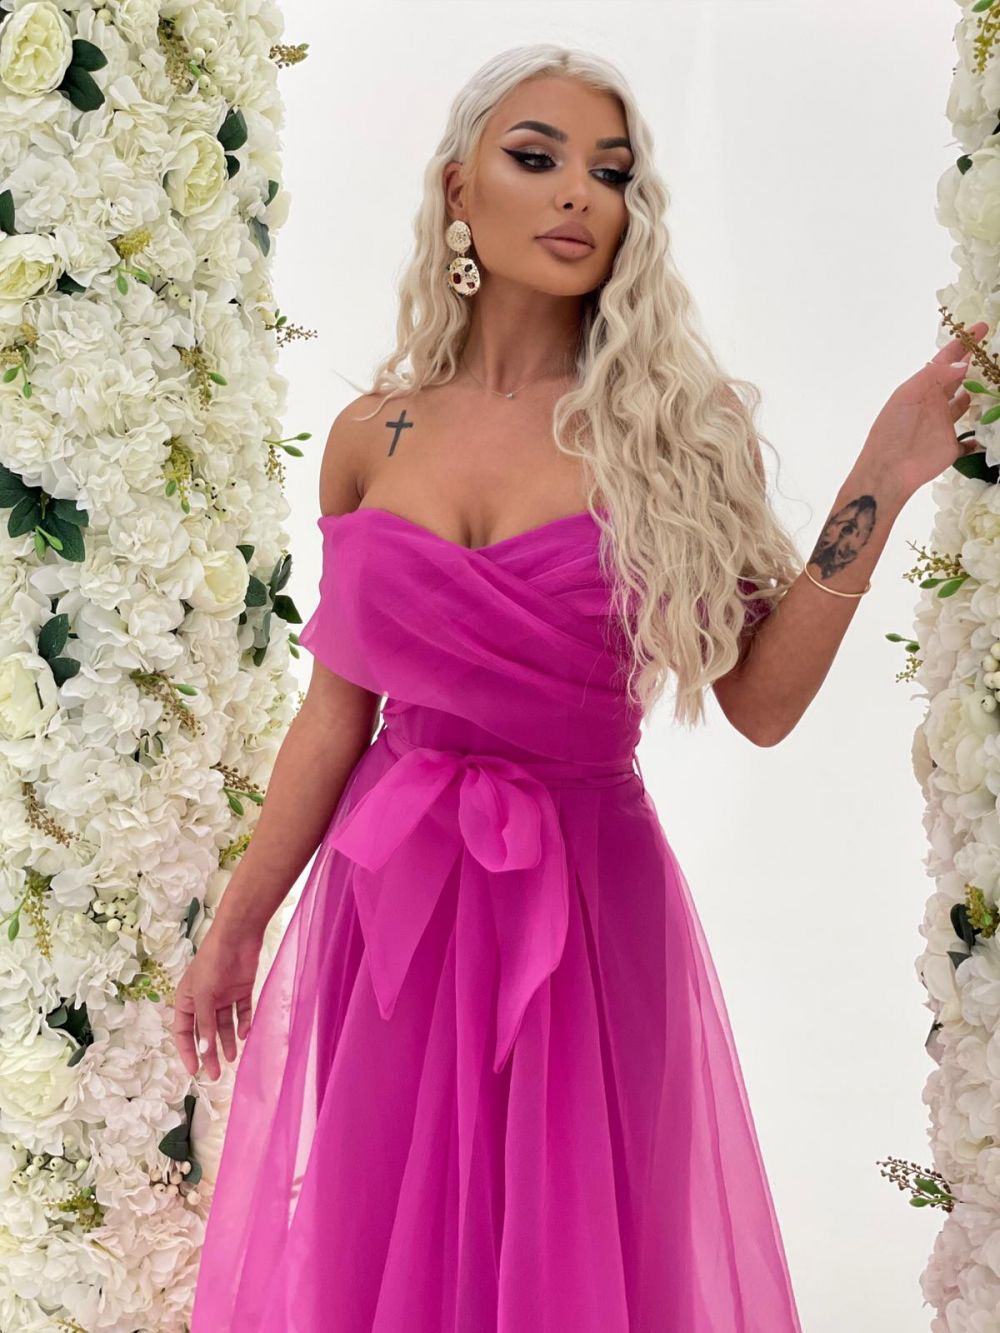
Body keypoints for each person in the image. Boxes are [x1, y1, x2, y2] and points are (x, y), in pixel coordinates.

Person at [180, 44, 984, 1332]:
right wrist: (240, 921)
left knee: (583, 1254)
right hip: (394, 903)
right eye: (536, 157)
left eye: (610, 173)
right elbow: (336, 712)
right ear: (459, 190)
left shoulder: (672, 429)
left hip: (587, 898)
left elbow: (762, 704)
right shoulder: (372, 433)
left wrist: (879, 481)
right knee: (387, 1250)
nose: (577, 194)